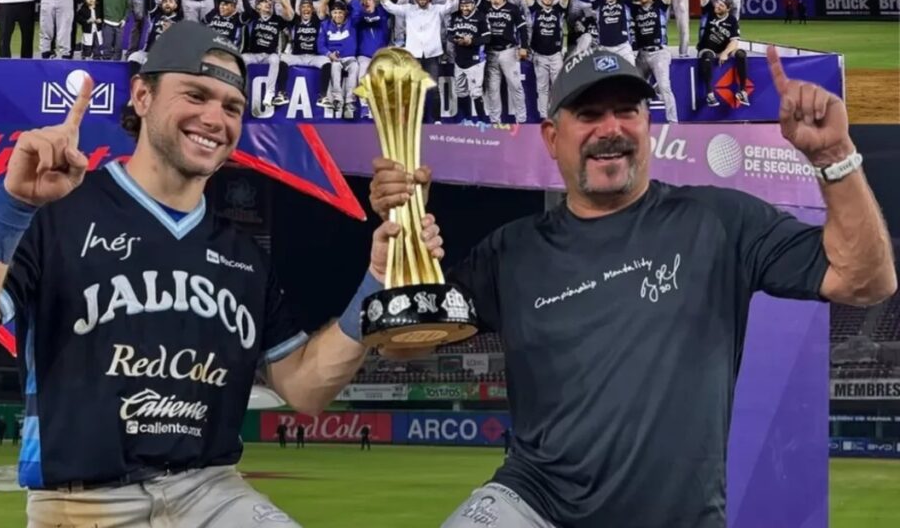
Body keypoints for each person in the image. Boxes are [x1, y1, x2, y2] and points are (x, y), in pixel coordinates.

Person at [0, 20, 445, 527]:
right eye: (195, 95)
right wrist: (12, 205)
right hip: (83, 503)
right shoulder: (56, 211)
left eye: (233, 107)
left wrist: (377, 279)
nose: (217, 119)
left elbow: (305, 388)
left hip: (211, 491)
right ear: (141, 97)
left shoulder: (242, 256)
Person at [369, 46, 896, 527]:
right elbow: (398, 342)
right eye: (590, 114)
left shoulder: (717, 221)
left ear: (648, 124)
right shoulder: (509, 251)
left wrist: (835, 159)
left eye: (627, 110)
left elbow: (866, 281)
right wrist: (402, 249)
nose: (611, 129)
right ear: (552, 137)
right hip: (533, 506)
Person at [696, 0, 747, 108]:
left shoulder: (732, 20)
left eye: (721, 4)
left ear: (728, 8)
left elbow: (734, 41)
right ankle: (710, 94)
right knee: (706, 56)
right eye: (718, 2)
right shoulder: (708, 11)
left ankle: (742, 91)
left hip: (723, 49)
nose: (717, 5)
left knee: (741, 54)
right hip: (709, 48)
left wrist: (725, 53)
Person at [630, 0, 677, 123]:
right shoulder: (635, 9)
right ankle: (640, 123)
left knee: (664, 87)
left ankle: (673, 122)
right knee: (636, 89)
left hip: (659, 53)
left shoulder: (659, 6)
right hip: (642, 54)